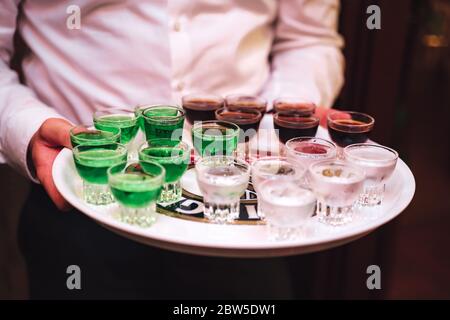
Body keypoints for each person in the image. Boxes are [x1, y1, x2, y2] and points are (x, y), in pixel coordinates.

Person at [0, 0, 344, 299]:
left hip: (244, 211)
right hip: (84, 193)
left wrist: (290, 113)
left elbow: (308, 38)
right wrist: (27, 126)